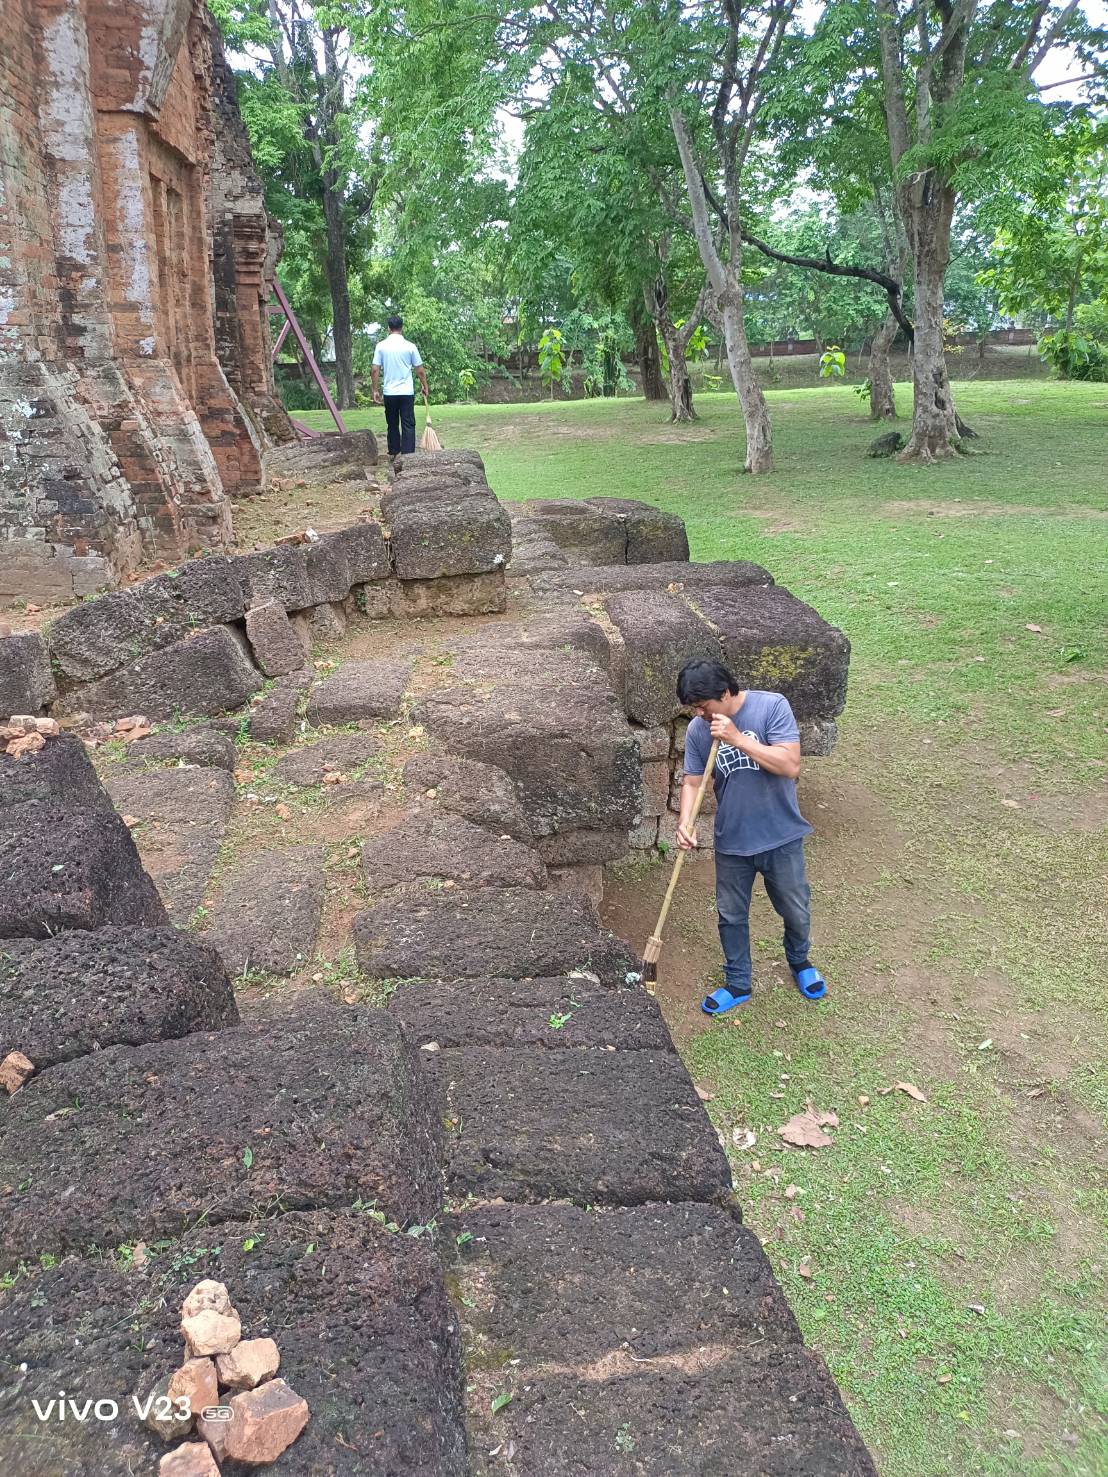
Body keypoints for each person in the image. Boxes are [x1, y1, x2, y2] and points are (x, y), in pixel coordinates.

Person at [675, 659, 828, 1013]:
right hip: (733, 840)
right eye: (694, 708)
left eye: (703, 705)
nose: (698, 714)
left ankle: (800, 961)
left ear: (725, 693)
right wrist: (685, 822)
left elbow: (789, 765)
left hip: (781, 836)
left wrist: (737, 739)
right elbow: (693, 782)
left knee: (795, 909)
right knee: (730, 915)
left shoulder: (771, 707)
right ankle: (738, 981)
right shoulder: (698, 730)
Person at [371, 315, 429, 456]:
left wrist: (375, 389)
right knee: (408, 424)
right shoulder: (410, 346)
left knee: (392, 424)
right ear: (402, 328)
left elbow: (375, 370)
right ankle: (408, 455)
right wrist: (425, 385)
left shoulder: (381, 346)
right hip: (406, 391)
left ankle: (394, 451)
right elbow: (420, 370)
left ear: (388, 328)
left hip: (389, 392)